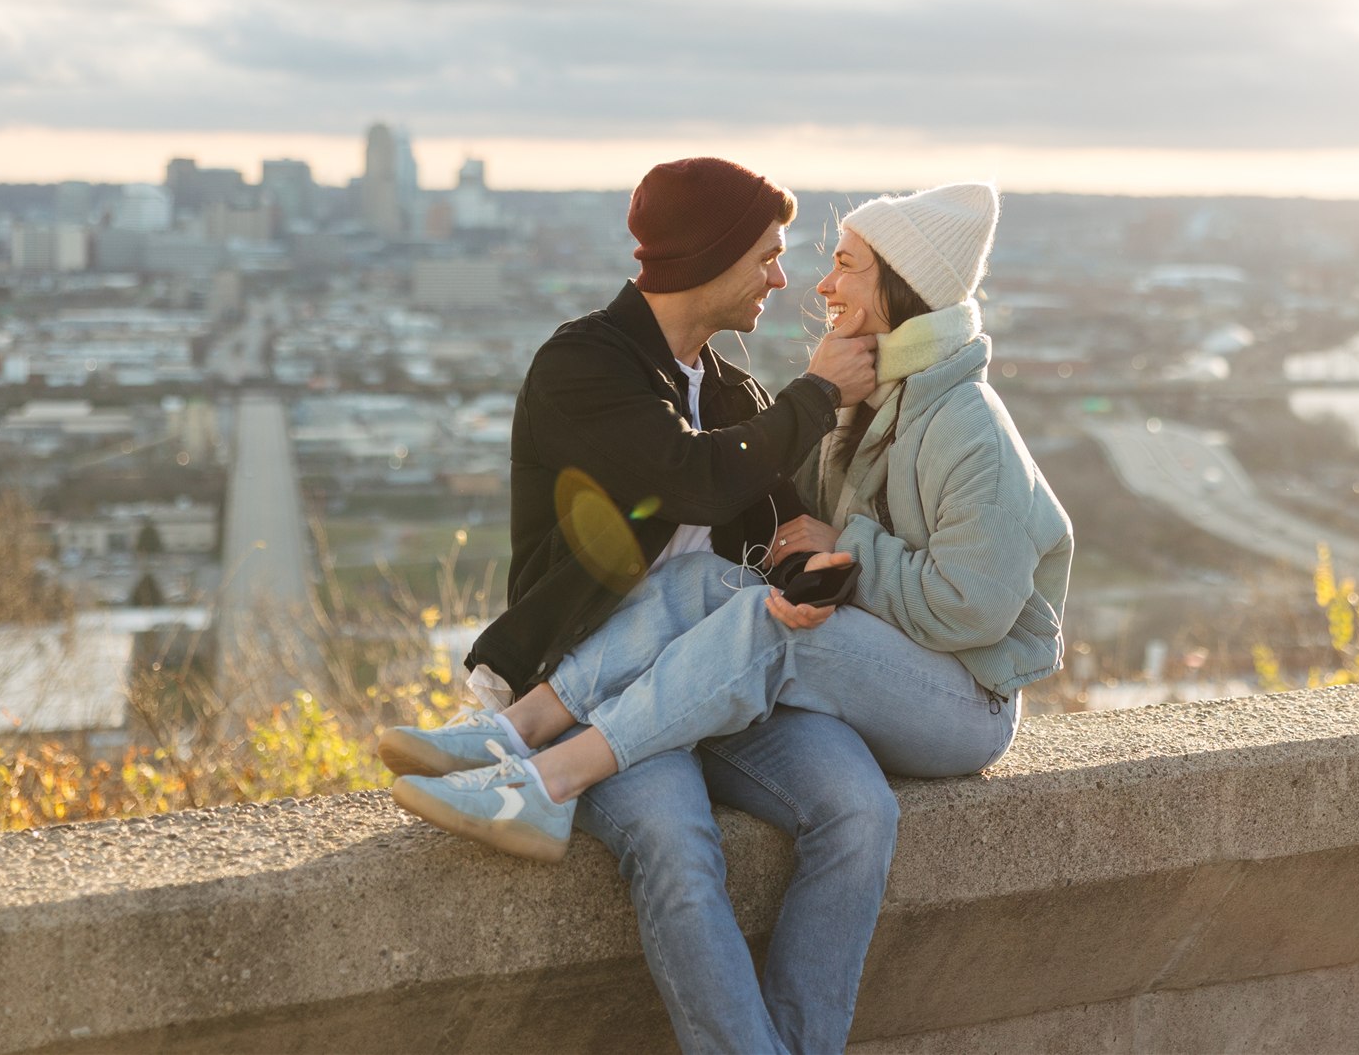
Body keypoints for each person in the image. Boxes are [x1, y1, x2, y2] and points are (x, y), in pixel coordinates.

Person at [388, 181, 1073, 882]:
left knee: (763, 654)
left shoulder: (960, 420)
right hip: (839, 661)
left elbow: (969, 602)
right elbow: (755, 514)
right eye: (787, 259)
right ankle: (510, 730)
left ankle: (550, 782)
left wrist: (844, 545)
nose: (814, 282)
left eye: (843, 263)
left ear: (901, 283)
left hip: (963, 699)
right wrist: (810, 565)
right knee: (702, 581)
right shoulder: (855, 399)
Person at [379, 157, 888, 1055]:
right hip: (592, 685)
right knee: (677, 844)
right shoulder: (584, 365)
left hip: (714, 678)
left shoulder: (734, 392)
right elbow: (686, 474)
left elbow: (761, 508)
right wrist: (815, 394)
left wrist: (805, 531)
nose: (780, 277)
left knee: (859, 808)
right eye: (767, 256)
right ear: (713, 254)